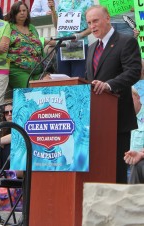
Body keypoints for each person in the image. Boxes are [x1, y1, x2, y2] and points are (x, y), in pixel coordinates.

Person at [85, 5, 141, 183]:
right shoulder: (92, 47)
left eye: (95, 21)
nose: (92, 26)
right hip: (95, 121)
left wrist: (109, 85)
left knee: (116, 173)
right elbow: (90, 80)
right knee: (99, 173)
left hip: (117, 119)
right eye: (89, 23)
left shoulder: (126, 41)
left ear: (107, 18)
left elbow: (133, 71)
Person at [48, 0, 93, 78]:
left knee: (78, 77)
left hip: (79, 44)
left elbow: (92, 27)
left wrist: (79, 35)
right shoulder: (62, 2)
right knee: (63, 78)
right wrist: (53, 10)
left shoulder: (88, 2)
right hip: (63, 44)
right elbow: (57, 26)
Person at [6, 1, 45, 88]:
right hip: (18, 70)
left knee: (49, 85)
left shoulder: (32, 27)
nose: (22, 13)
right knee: (33, 88)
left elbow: (39, 43)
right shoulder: (8, 27)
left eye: (24, 10)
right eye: (19, 11)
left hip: (37, 69)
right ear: (14, 13)